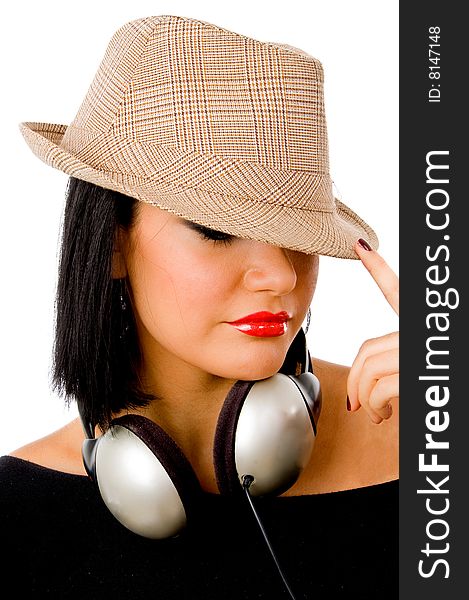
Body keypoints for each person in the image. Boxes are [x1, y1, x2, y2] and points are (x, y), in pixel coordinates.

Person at [0, 15, 399, 599]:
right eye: (217, 229)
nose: (282, 274)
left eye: (297, 233)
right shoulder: (16, 522)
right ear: (111, 242)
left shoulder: (428, 444)